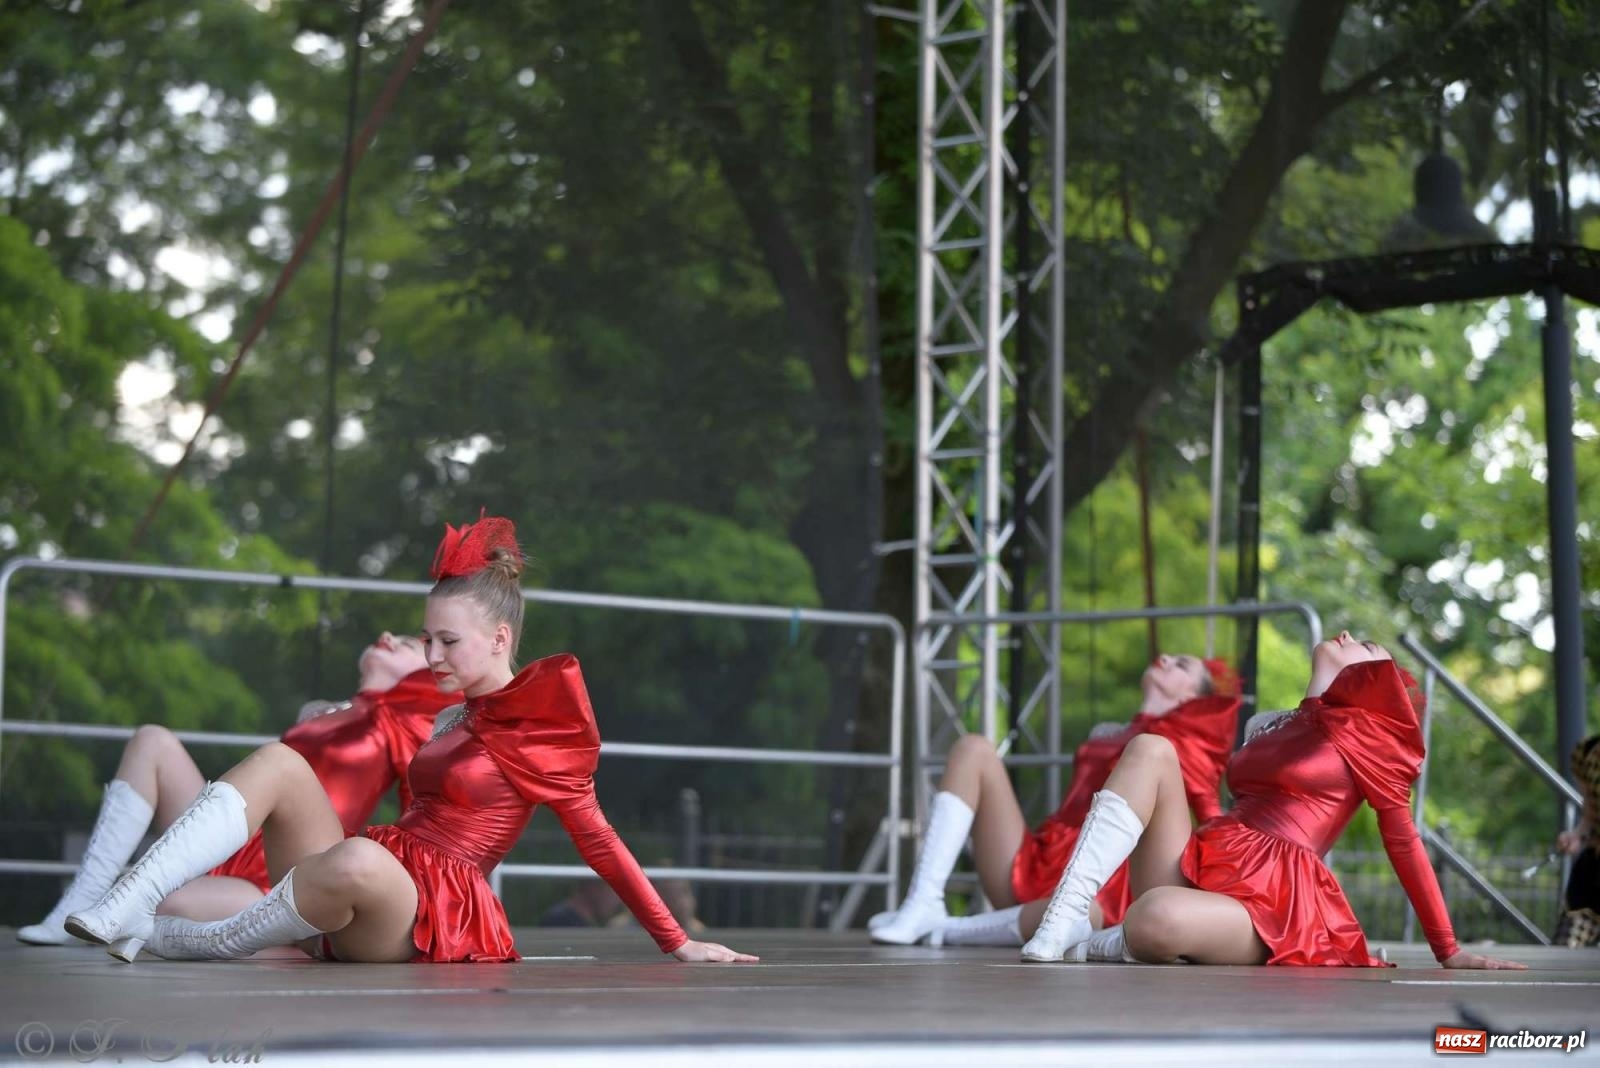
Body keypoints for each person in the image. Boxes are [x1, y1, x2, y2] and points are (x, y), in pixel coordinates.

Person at [64, 514, 757, 965]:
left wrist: (677, 940)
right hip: (381, 867)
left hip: (428, 913)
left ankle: (209, 941)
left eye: (448, 641)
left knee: (356, 860)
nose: (431, 656)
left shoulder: (542, 728)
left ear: (500, 639)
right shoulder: (450, 716)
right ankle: (123, 904)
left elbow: (598, 839)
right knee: (281, 761)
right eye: (427, 639)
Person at [1015, 632, 1525, 970]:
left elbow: (1404, 840)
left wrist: (1448, 949)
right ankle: (1067, 914)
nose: (1347, 635)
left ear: (1378, 680)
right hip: (1212, 859)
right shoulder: (1273, 724)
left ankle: (1095, 944)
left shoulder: (1370, 735)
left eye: (1365, 645)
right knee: (1151, 748)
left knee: (1154, 917)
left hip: (1275, 903)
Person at [17, 633, 451, 944]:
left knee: (165, 905)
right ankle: (81, 899)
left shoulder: (404, 720)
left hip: (275, 873)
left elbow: (425, 807)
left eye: (408, 644)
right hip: (228, 835)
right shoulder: (329, 711)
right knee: (152, 741)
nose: (387, 636)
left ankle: (134, 899)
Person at [870, 654, 1239, 946]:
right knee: (973, 748)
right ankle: (923, 901)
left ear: (1192, 696)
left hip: (1102, 882)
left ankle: (947, 930)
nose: (1165, 658)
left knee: (1085, 916)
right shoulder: (1113, 730)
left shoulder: (1186, 742)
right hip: (1043, 857)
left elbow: (1210, 816)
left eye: (1181, 665)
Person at [1553, 732, 1600, 947]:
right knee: (1566, 948)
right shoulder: (1588, 751)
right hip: (1593, 874)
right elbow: (1591, 812)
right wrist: (1577, 835)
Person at [540, 880, 622, 928]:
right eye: (614, 890)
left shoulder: (582, 924)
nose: (618, 899)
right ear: (594, 887)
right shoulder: (560, 921)